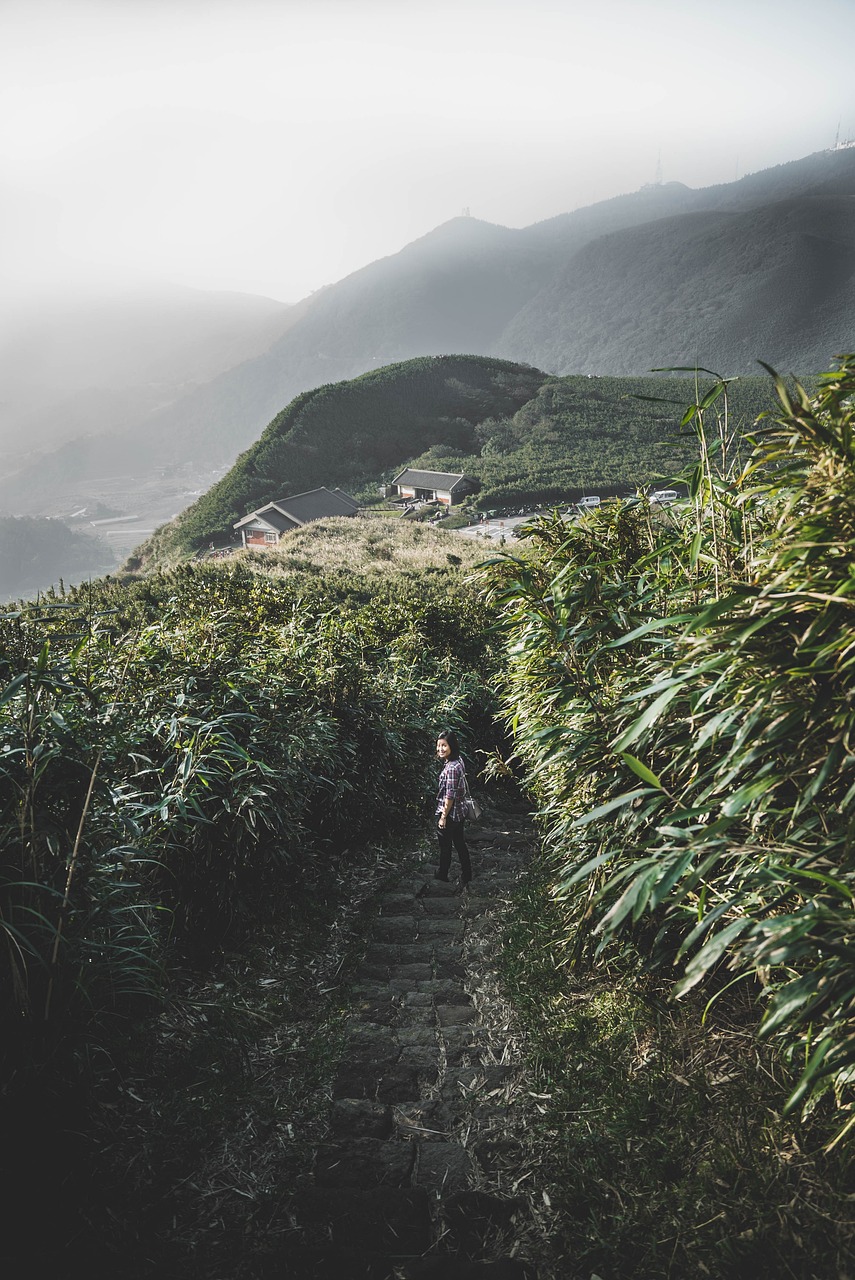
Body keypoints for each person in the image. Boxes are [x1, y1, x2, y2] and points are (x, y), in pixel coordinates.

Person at [433, 729, 472, 888]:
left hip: (451, 814)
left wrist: (443, 816)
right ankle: (467, 874)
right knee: (460, 843)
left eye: (444, 746)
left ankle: (442, 876)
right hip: (460, 812)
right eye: (438, 746)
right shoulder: (458, 761)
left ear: (452, 746)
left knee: (445, 846)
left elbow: (450, 795)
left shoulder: (451, 768)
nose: (440, 749)